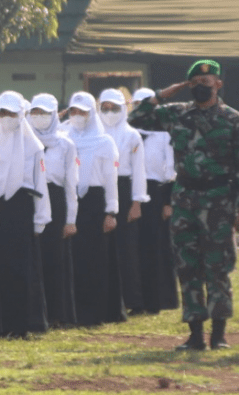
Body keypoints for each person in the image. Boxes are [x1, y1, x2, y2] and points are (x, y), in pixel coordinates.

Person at [129, 60, 239, 350]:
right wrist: (163, 94)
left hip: (219, 200)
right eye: (195, 82)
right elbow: (136, 119)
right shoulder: (177, 114)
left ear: (218, 84)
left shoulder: (233, 119)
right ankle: (195, 334)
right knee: (188, 266)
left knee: (218, 267)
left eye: (206, 82)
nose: (200, 86)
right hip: (185, 198)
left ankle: (219, 334)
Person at [0, 90, 51, 334]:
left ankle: (22, 323)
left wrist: (40, 218)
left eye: (12, 113)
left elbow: (40, 182)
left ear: (21, 114)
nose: (7, 117)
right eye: (3, 112)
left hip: (21, 208)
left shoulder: (33, 145)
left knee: (20, 267)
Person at [66, 91, 125, 326]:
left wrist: (111, 211)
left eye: (83, 112)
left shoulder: (104, 141)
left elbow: (111, 178)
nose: (78, 116)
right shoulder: (65, 137)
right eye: (74, 111)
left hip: (95, 202)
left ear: (92, 114)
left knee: (96, 258)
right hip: (72, 201)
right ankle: (76, 310)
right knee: (75, 258)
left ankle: (98, 311)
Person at [28, 93, 79, 325]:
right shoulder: (26, 140)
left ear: (54, 114)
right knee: (32, 257)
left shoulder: (65, 144)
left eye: (45, 113)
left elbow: (71, 184)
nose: (39, 118)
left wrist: (70, 219)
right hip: (30, 200)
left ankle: (58, 314)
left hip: (56, 200)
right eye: (35, 112)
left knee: (55, 258)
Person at [98, 88, 149, 315]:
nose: (110, 113)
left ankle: (134, 300)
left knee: (127, 248)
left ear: (124, 109)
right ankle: (108, 299)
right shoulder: (96, 134)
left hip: (124, 187)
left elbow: (139, 171)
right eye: (105, 108)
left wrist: (137, 201)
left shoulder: (132, 135)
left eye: (114, 108)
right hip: (100, 189)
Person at [131, 87, 179, 313]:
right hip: (132, 192)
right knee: (135, 246)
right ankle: (136, 297)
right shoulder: (128, 134)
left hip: (156, 193)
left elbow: (171, 170)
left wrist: (168, 201)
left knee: (157, 247)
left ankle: (161, 299)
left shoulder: (163, 135)